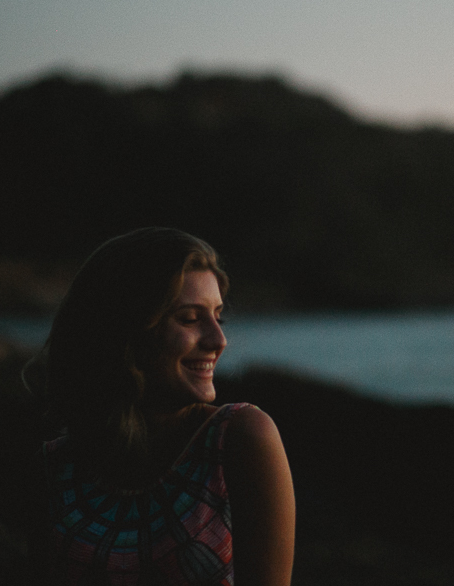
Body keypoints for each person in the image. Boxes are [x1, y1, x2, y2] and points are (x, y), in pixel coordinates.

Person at [23, 228, 295, 585]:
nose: (219, 340)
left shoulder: (240, 438)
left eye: (218, 317)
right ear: (126, 329)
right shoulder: (56, 468)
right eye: (190, 318)